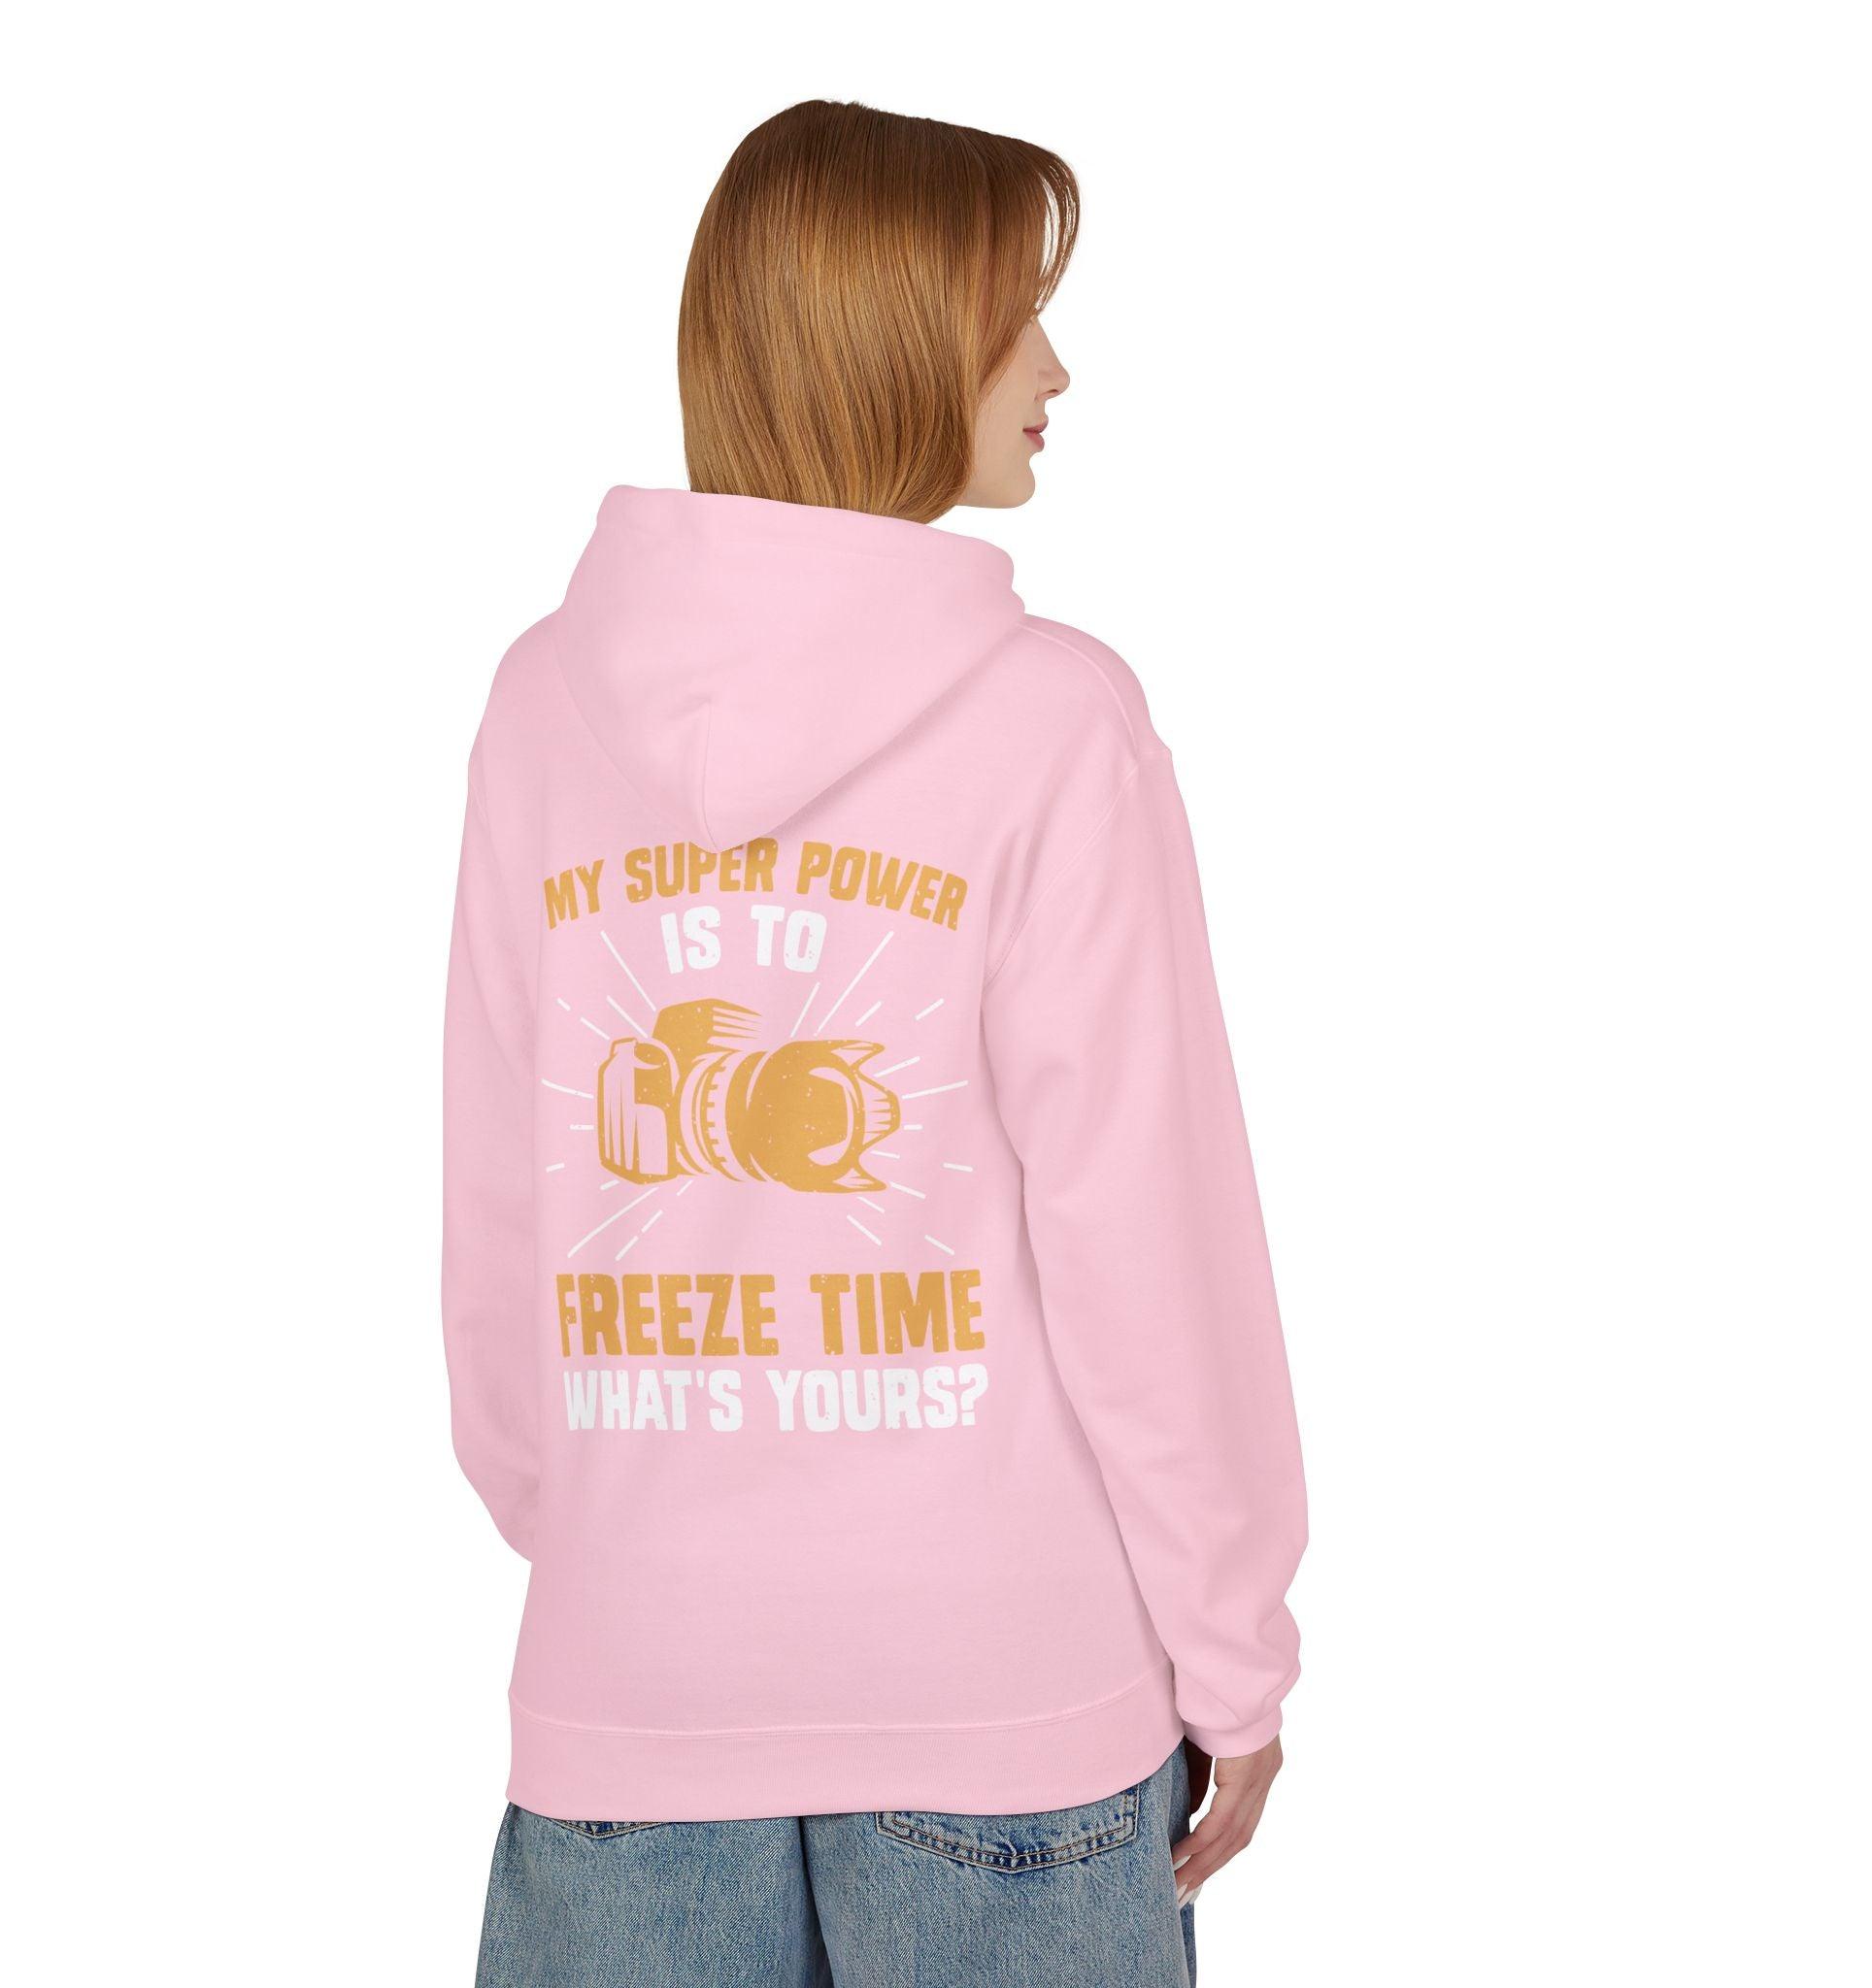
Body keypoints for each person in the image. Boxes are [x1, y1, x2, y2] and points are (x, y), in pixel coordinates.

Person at [445, 99, 1307, 1988]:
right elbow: (1147, 1240)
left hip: (632, 1687)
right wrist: (1232, 1647)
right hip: (1006, 1700)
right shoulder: (1054, 721)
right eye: (1014, 316)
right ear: (897, 340)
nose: (1055, 367)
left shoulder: (540, 701)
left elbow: (502, 1207)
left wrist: (629, 1547)